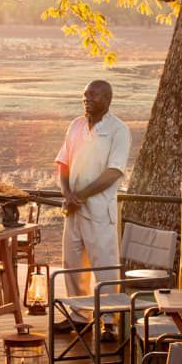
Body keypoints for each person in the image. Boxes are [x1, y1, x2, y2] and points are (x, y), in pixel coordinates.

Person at [54, 79, 132, 342]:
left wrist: (82, 194)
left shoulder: (118, 130)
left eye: (93, 95)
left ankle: (109, 321)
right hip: (73, 209)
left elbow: (114, 171)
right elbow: (63, 163)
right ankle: (78, 315)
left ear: (108, 99)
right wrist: (67, 194)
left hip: (99, 210)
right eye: (85, 94)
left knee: (104, 265)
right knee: (73, 262)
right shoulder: (75, 126)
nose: (87, 99)